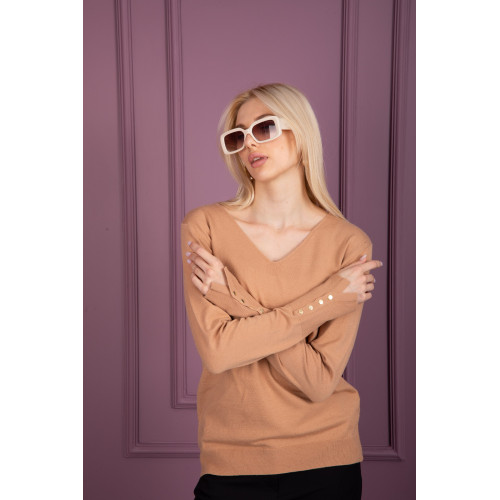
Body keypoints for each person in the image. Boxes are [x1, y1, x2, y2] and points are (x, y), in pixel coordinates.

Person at [181, 83, 383, 500]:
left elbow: (319, 381)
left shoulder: (349, 245)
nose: (249, 144)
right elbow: (219, 352)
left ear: (301, 133)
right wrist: (329, 298)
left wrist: (231, 295)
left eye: (264, 127)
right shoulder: (205, 227)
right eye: (238, 136)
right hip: (231, 457)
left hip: (327, 460)